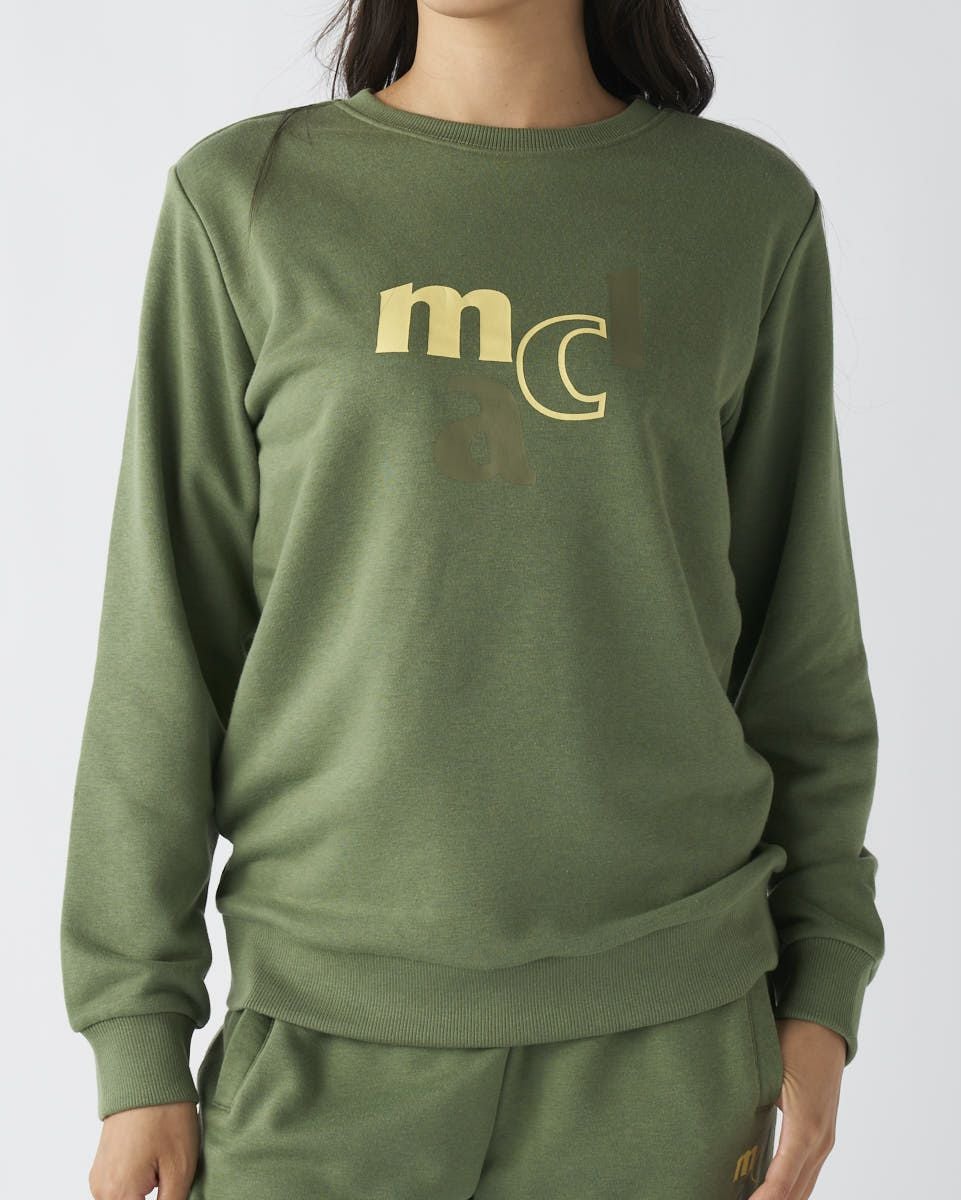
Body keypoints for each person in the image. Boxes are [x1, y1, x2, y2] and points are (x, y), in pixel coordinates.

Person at [60, 1, 886, 1197]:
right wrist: (135, 1035)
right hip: (319, 1054)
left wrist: (822, 992)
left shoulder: (745, 212)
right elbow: (163, 638)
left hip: (672, 1052)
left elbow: (801, 651)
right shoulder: (243, 200)